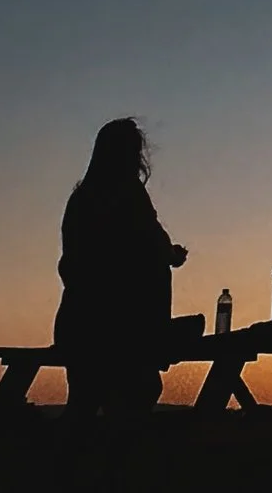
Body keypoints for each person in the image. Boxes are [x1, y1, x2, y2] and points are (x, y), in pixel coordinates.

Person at [55, 117, 186, 418]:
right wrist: (171, 255)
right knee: (136, 395)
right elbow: (155, 243)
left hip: (76, 325)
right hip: (120, 329)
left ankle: (71, 460)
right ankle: (117, 460)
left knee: (84, 402)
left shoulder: (81, 198)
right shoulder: (128, 195)